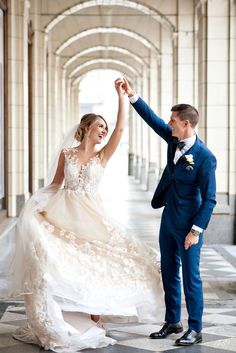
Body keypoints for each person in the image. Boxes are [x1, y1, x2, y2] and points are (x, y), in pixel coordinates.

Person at [0, 78, 163, 353]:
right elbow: (55, 184)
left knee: (97, 261)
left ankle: (94, 313)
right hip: (63, 211)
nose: (104, 130)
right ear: (86, 128)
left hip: (91, 214)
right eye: (100, 126)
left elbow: (121, 129)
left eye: (105, 127)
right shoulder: (67, 154)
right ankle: (65, 315)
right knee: (62, 262)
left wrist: (123, 96)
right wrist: (37, 206)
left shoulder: (103, 156)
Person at [122, 78, 217, 346]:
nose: (170, 124)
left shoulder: (205, 158)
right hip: (168, 222)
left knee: (191, 277)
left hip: (189, 226)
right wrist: (132, 96)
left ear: (186, 124)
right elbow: (152, 120)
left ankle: (195, 328)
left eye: (174, 121)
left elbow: (210, 200)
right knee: (168, 273)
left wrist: (196, 231)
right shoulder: (173, 141)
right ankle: (173, 321)